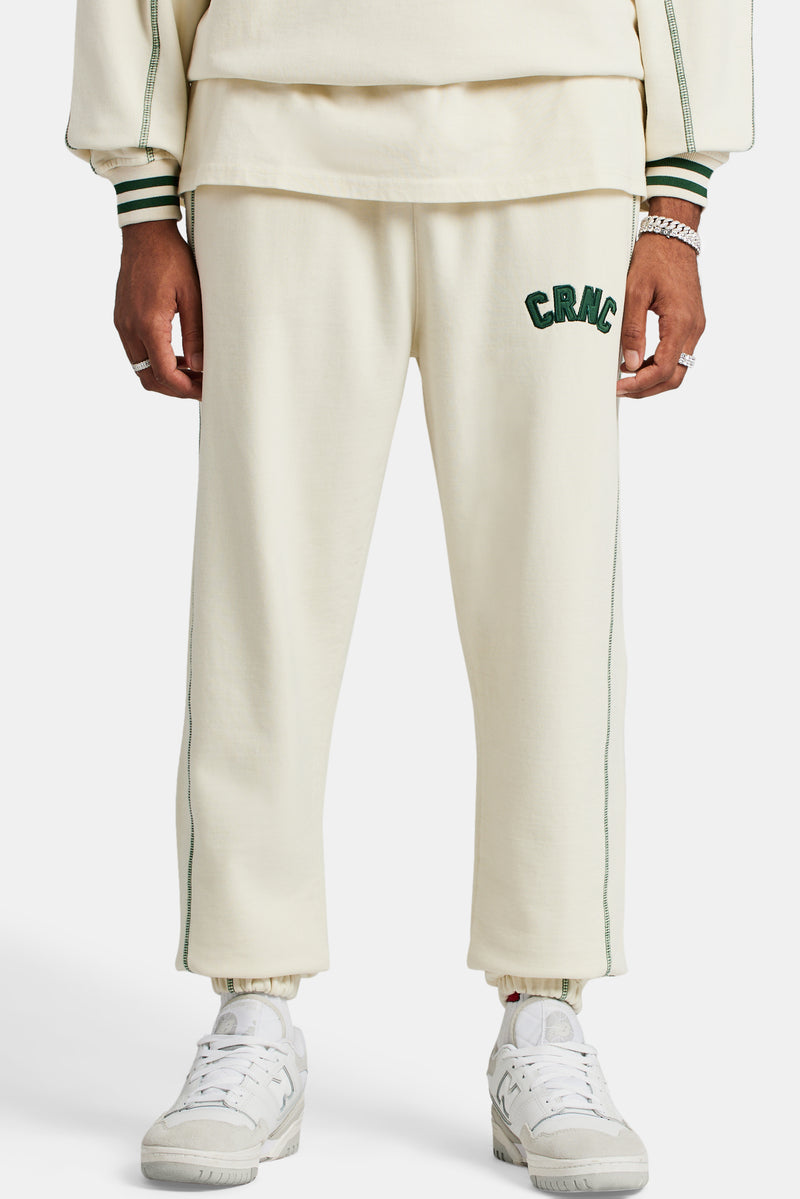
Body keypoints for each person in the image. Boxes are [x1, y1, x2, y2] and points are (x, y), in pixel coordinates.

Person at [65, 2, 754, 1191]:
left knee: (549, 593)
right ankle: (251, 1005)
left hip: (554, 133)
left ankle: (544, 1012)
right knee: (261, 591)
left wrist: (673, 200)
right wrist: (143, 199)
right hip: (276, 130)